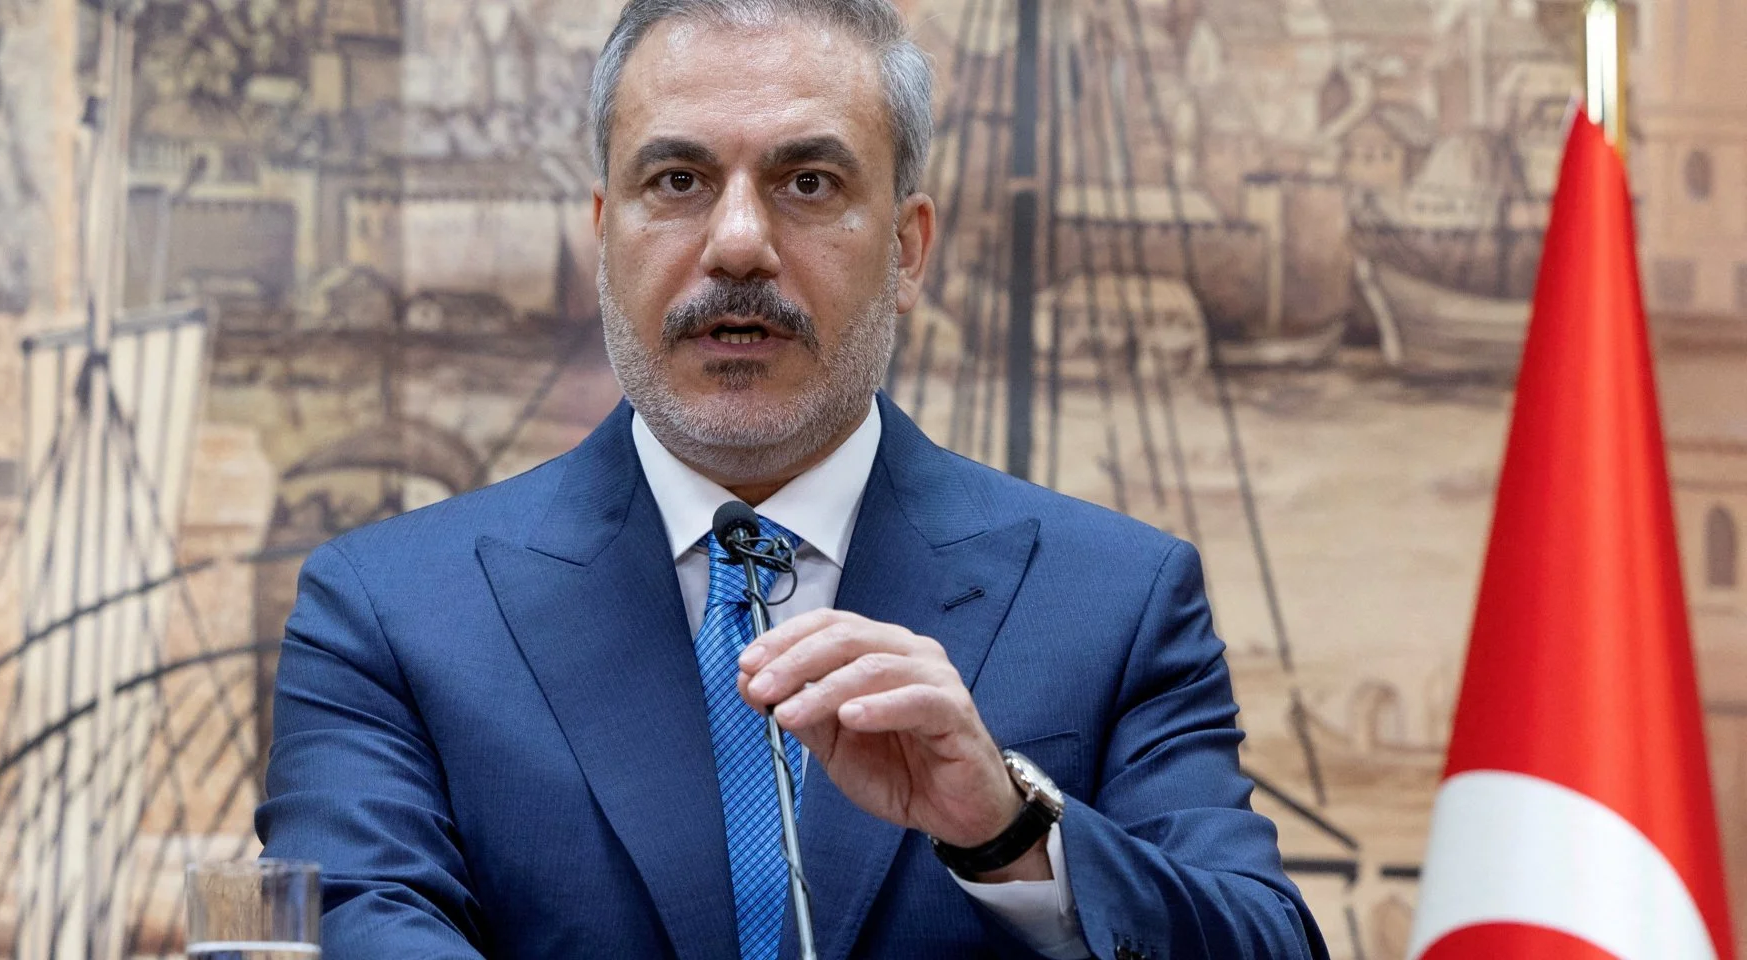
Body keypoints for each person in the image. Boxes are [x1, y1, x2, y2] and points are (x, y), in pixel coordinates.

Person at [255, 0, 1328, 957]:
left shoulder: (1117, 600)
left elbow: (1265, 942)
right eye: (677, 182)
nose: (738, 244)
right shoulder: (388, 614)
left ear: (907, 251)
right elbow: (357, 923)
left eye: (807, 183)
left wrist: (1010, 831)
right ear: (603, 237)